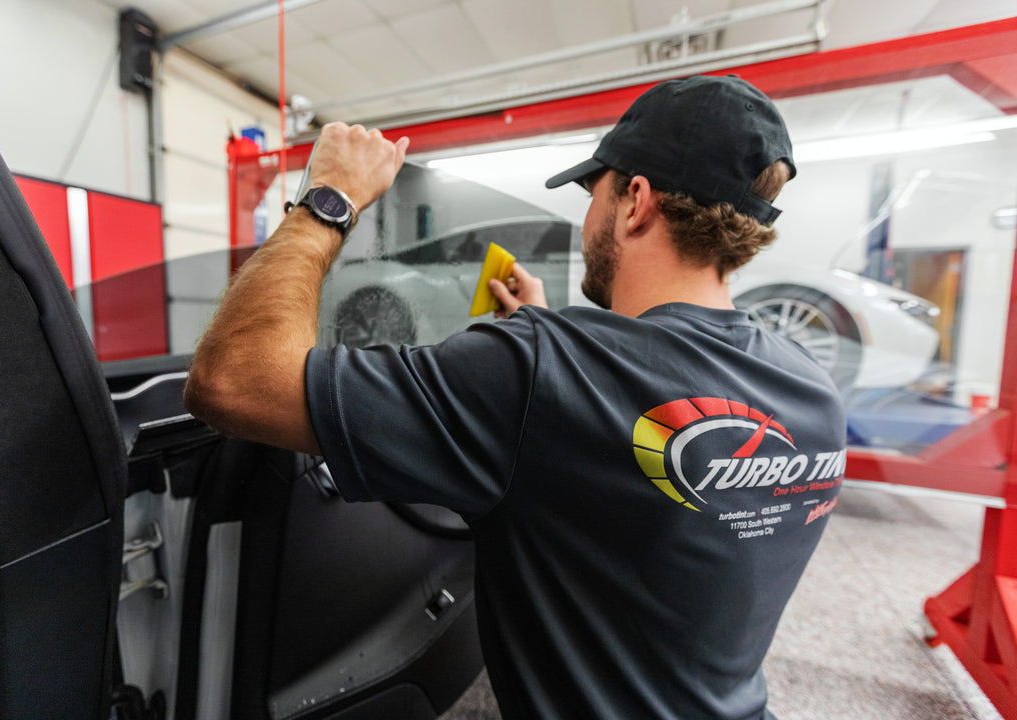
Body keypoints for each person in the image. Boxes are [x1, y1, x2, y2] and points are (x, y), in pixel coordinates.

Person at [185, 75, 846, 720]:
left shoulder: (540, 370)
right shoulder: (813, 392)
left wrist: (329, 197)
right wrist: (548, 337)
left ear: (637, 200)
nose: (588, 215)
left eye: (595, 191)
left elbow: (232, 379)